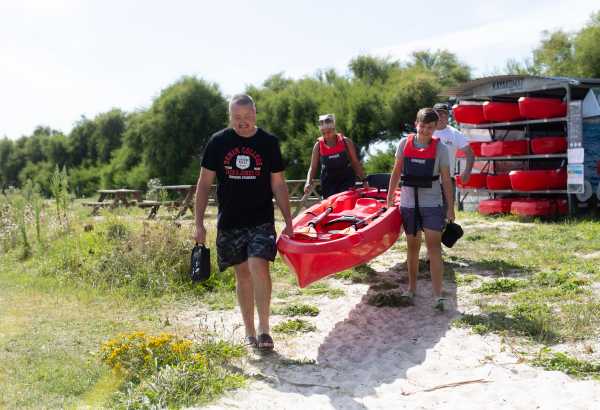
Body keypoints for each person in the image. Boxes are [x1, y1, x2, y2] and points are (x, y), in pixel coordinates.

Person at [194, 94, 293, 351]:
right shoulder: (218, 142)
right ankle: (249, 331)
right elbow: (204, 185)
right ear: (230, 117)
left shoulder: (268, 142)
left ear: (255, 114)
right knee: (243, 275)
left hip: (261, 219)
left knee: (258, 266)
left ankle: (264, 329)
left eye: (247, 117)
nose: (243, 122)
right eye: (237, 118)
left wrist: (289, 220)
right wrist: (198, 224)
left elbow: (279, 184)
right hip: (230, 221)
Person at [386, 108, 454, 312]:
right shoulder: (403, 144)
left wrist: (450, 207)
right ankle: (411, 289)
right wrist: (389, 196)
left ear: (435, 128)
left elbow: (446, 180)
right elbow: (397, 170)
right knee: (412, 248)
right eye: (422, 126)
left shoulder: (441, 149)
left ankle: (438, 295)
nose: (425, 131)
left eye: (430, 127)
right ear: (416, 124)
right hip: (408, 204)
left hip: (432, 204)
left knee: (434, 248)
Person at [303, 114, 367, 198]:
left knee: (344, 201)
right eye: (323, 133)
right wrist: (308, 182)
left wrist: (364, 180)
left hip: (346, 180)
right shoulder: (318, 145)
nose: (326, 135)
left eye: (328, 132)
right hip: (328, 183)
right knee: (331, 205)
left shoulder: (346, 142)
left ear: (334, 129)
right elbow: (313, 167)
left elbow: (355, 162)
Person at [432, 102, 475, 212]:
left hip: (447, 180)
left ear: (448, 116)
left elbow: (470, 154)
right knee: (428, 215)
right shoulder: (427, 131)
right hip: (427, 180)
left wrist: (467, 172)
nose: (441, 117)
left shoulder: (455, 134)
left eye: (444, 114)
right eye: (438, 114)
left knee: (448, 215)